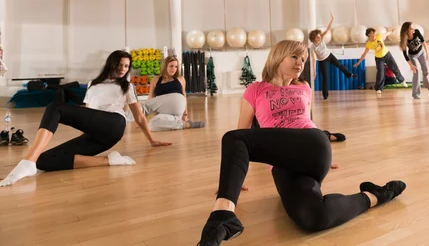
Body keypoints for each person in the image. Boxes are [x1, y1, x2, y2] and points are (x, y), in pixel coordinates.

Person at [197, 40, 406, 246]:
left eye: (304, 59)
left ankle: (222, 213)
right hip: (283, 162)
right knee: (313, 218)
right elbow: (242, 132)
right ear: (278, 57)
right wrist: (233, 178)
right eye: (295, 57)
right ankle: (375, 196)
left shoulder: (304, 88)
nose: (300, 63)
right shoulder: (255, 89)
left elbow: (307, 121)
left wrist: (321, 153)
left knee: (234, 138)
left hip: (312, 146)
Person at [0, 50, 172, 187]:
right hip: (98, 134)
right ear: (110, 64)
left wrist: (151, 140)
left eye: (126, 66)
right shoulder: (93, 84)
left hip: (114, 124)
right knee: (44, 161)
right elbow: (89, 113)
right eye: (119, 64)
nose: (123, 69)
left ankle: (26, 162)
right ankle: (111, 160)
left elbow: (139, 116)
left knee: (55, 107)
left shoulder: (127, 86)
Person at [142, 56, 205, 131]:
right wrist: (146, 117)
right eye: (171, 66)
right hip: (164, 111)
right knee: (151, 125)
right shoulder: (155, 80)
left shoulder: (180, 79)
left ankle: (128, 118)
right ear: (165, 66)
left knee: (142, 105)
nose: (174, 69)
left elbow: (184, 96)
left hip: (177, 105)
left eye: (176, 67)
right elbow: (150, 99)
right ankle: (185, 125)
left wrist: (185, 115)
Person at [308, 12, 357, 100]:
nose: (319, 38)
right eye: (317, 37)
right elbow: (313, 60)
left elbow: (327, 29)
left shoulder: (322, 38)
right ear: (313, 38)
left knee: (339, 65)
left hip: (329, 56)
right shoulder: (312, 47)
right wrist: (314, 72)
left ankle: (349, 74)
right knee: (325, 77)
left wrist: (332, 19)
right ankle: (325, 95)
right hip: (322, 61)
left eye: (320, 36)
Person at [354, 28, 406, 94]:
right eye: (372, 33)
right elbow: (364, 54)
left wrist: (391, 31)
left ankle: (402, 80)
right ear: (369, 35)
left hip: (387, 54)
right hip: (379, 58)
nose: (374, 34)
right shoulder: (369, 44)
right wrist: (358, 62)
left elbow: (386, 34)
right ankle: (379, 89)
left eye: (374, 32)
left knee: (394, 67)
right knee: (380, 73)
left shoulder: (378, 36)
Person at [399, 22, 429, 99]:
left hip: (421, 53)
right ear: (407, 31)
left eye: (413, 27)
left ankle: (427, 85)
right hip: (412, 56)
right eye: (411, 28)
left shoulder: (417, 32)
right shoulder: (404, 39)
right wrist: (410, 65)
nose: (413, 29)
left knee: (426, 69)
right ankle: (415, 94)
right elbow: (405, 54)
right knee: (416, 74)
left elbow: (423, 42)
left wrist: (427, 54)